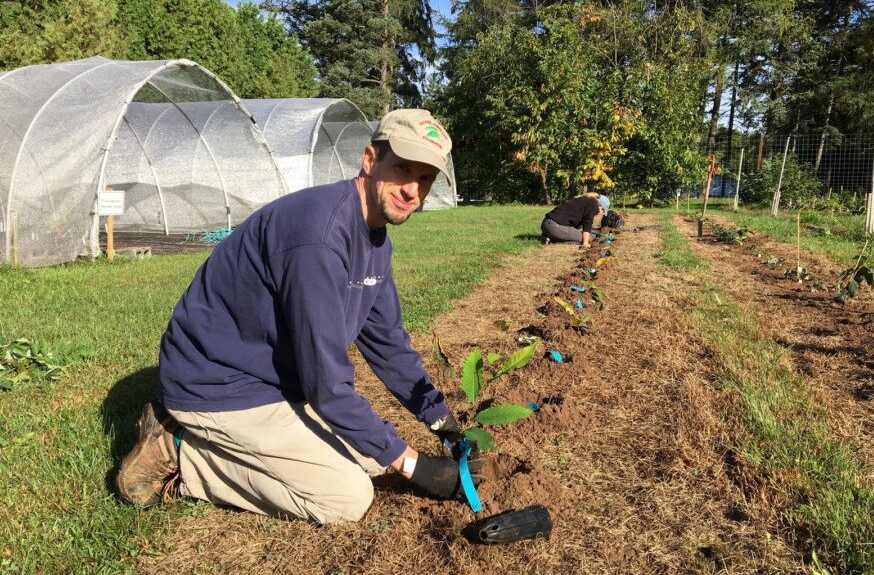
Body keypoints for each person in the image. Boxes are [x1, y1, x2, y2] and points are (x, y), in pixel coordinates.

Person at [115, 109, 481, 524]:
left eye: (427, 178)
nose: (413, 189)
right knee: (347, 496)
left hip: (272, 382)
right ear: (369, 160)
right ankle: (182, 451)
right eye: (402, 169)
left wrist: (442, 422)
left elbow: (389, 344)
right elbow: (327, 385)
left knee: (375, 458)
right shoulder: (320, 237)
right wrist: (416, 466)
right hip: (217, 383)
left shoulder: (375, 242)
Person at [540, 192, 608, 248]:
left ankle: (548, 236)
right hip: (554, 226)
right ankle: (552, 241)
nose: (600, 212)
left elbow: (577, 222)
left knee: (581, 235)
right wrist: (585, 243)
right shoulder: (593, 204)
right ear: (599, 204)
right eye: (602, 209)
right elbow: (587, 225)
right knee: (586, 238)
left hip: (546, 223)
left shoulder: (584, 200)